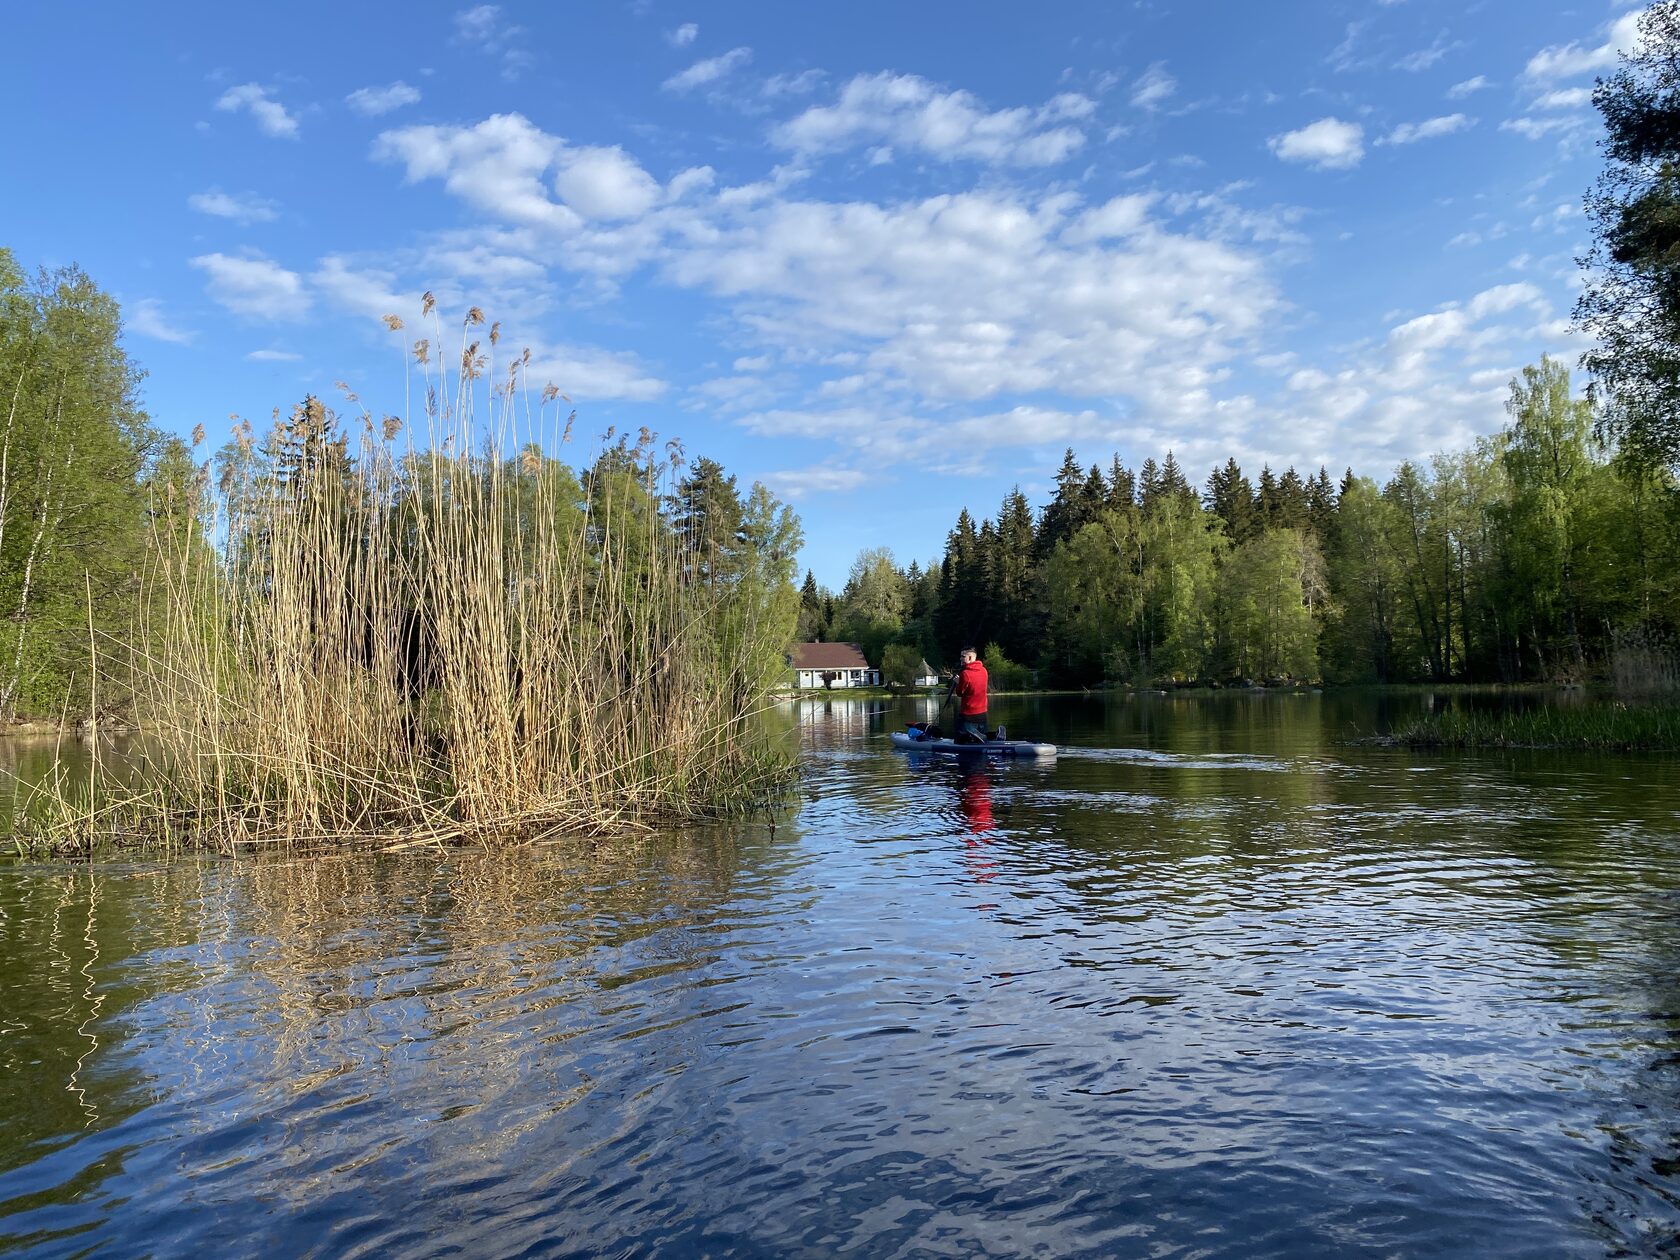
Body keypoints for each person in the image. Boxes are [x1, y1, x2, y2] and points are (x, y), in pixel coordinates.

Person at [947, 645, 989, 743]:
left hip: (968, 715)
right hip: (983, 713)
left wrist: (958, 682)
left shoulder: (965, 674)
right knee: (979, 742)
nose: (960, 658)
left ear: (970, 658)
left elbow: (959, 693)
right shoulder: (984, 670)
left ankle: (974, 735)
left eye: (963, 656)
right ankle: (993, 735)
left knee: (960, 741)